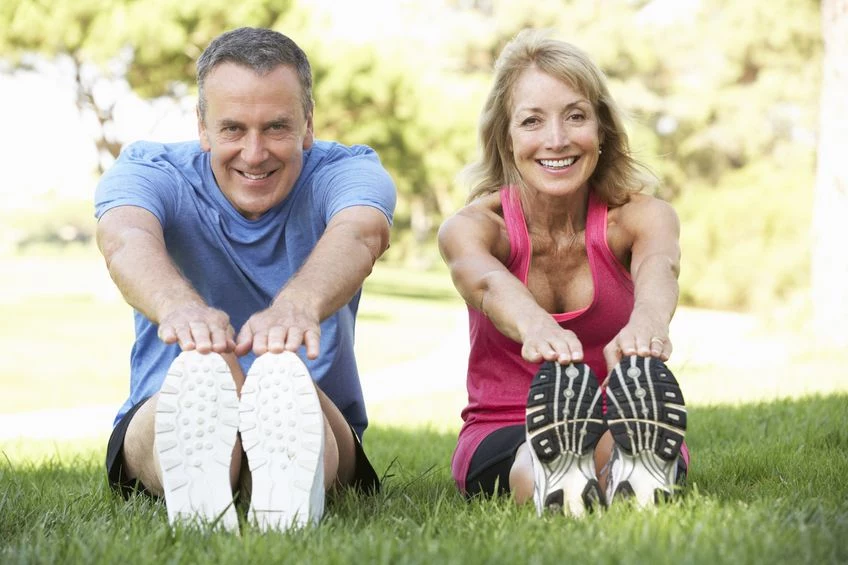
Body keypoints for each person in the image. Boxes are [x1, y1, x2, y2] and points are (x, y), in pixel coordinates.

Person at [96, 27, 396, 531]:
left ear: (308, 125)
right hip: (163, 410)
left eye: (276, 128)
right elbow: (124, 237)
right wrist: (179, 308)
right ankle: (208, 467)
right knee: (204, 370)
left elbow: (362, 234)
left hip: (317, 419)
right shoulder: (151, 170)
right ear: (203, 127)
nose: (254, 154)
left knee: (281, 374)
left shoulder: (348, 171)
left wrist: (297, 305)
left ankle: (273, 478)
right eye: (233, 129)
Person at [438, 29, 688, 517]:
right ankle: (563, 471)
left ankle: (624, 462)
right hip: (503, 423)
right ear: (505, 139)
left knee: (612, 441)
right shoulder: (473, 228)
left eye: (575, 116)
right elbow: (486, 281)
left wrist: (648, 325)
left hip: (622, 414)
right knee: (529, 456)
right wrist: (535, 325)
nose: (556, 140)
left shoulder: (641, 217)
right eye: (532, 121)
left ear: (602, 130)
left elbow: (662, 266)